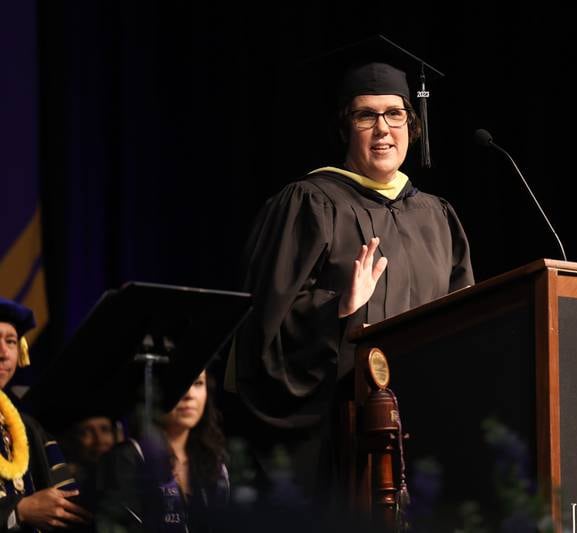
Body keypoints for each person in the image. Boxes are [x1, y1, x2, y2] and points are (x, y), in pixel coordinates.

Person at [226, 35, 474, 498]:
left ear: (413, 124)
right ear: (345, 127)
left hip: (424, 437)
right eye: (366, 115)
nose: (383, 129)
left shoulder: (437, 216)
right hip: (337, 446)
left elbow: (465, 317)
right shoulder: (309, 204)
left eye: (395, 114)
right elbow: (259, 327)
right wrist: (337, 309)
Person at [0, 297, 92, 531]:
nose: (4, 353)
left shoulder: (28, 428)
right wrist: (19, 511)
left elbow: (66, 501)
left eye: (11, 342)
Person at [96, 370, 229, 532]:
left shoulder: (215, 464)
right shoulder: (127, 459)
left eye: (198, 383)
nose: (189, 394)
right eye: (178, 384)